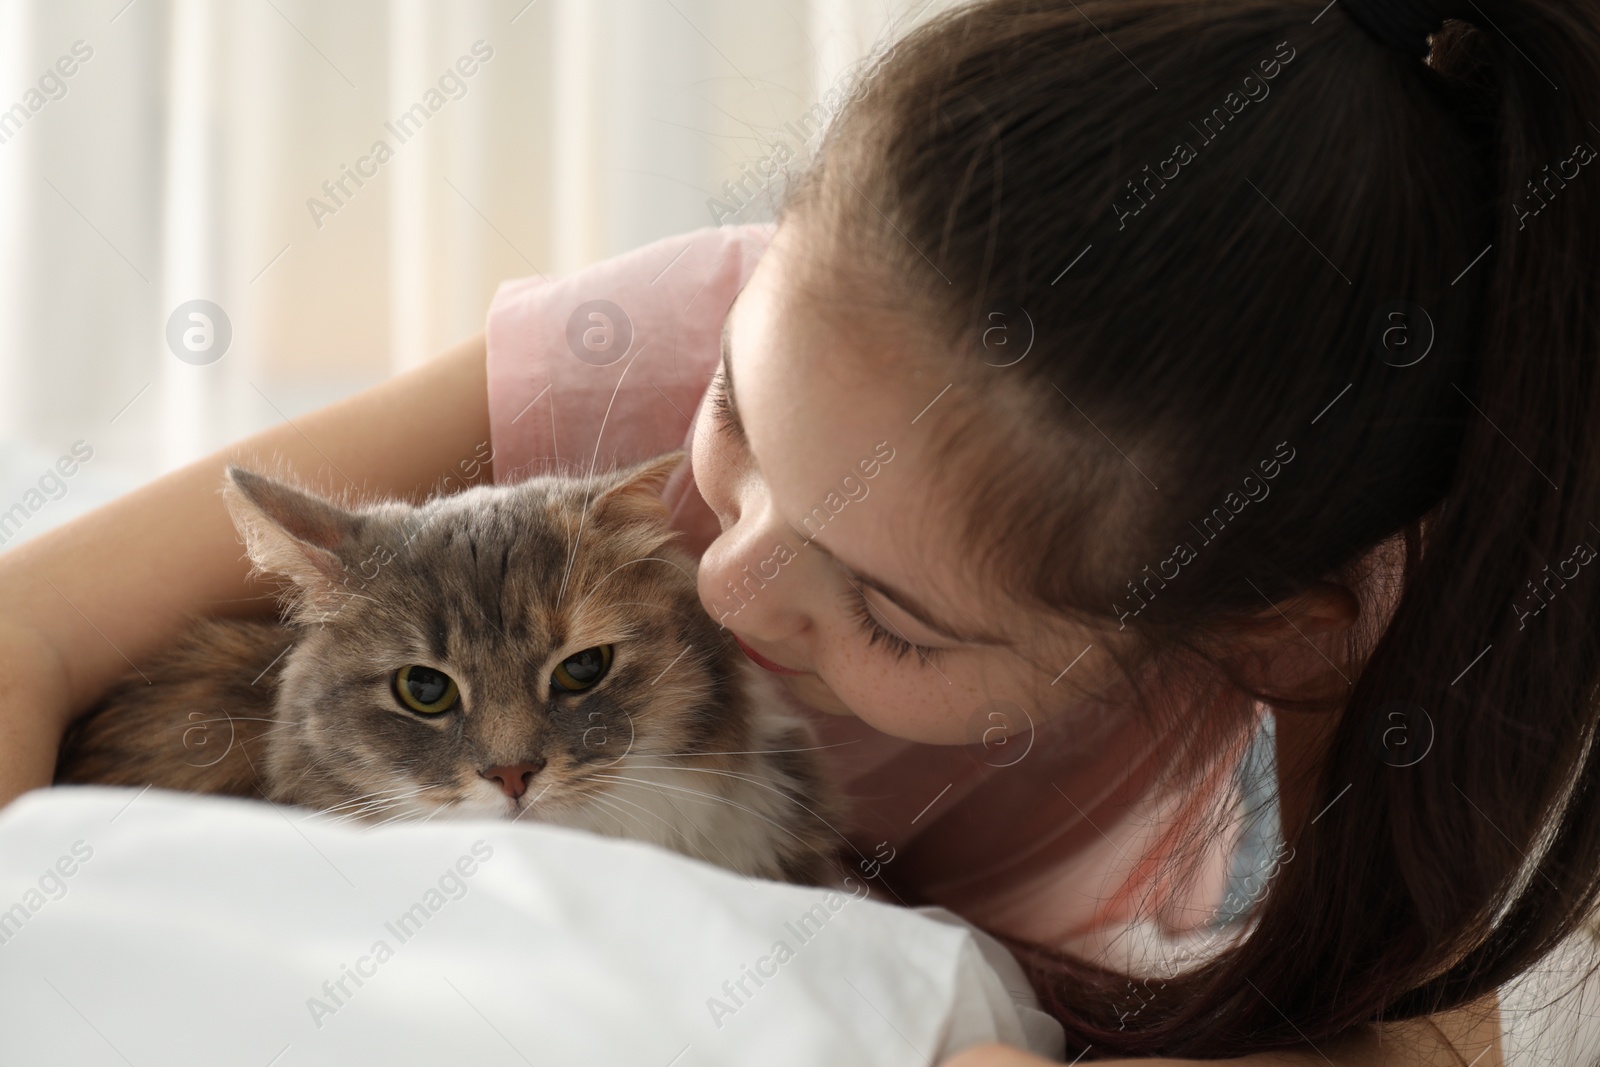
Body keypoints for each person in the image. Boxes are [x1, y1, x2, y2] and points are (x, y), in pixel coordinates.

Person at [3, 0, 1598, 1063]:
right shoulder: (691, 333)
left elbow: (1396, 1040)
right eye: (740, 435)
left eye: (894, 614)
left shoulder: (1341, 661)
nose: (730, 576)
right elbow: (29, 623)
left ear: (1267, 638)